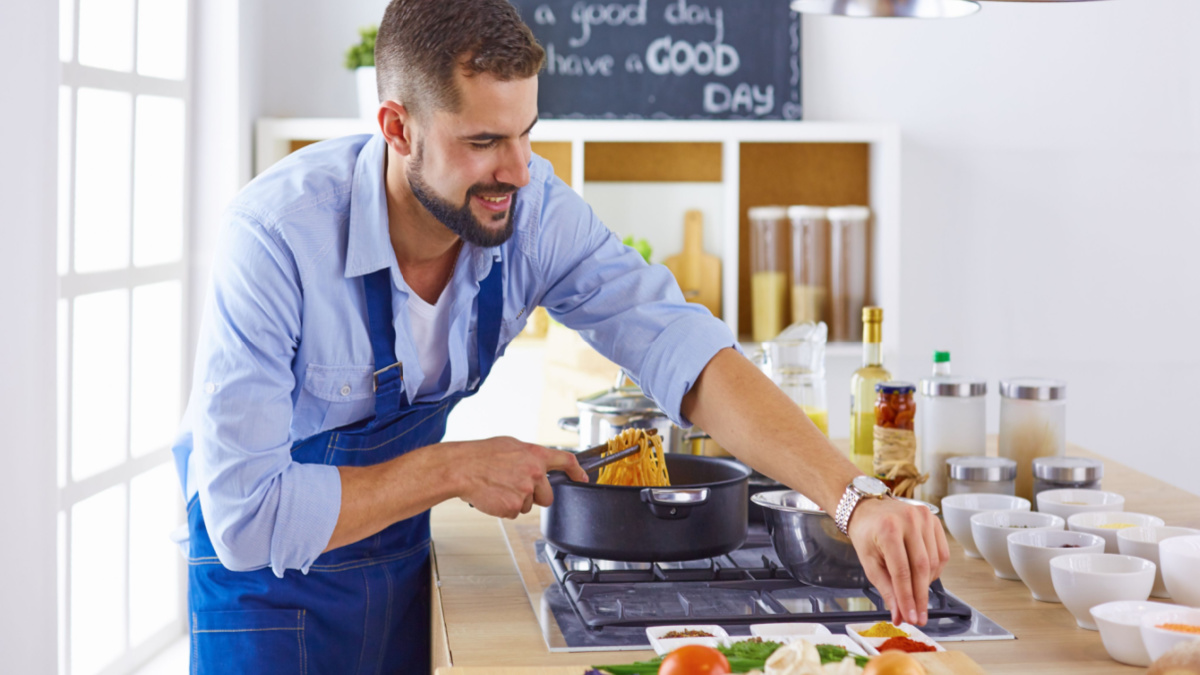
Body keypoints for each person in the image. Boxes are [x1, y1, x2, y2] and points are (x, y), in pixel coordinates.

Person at [171, 0, 949, 672]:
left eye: (527, 132)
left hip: (394, 558)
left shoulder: (532, 208)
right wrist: (453, 467)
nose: (518, 170)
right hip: (266, 589)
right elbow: (244, 514)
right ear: (396, 128)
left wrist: (856, 500)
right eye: (482, 142)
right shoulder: (276, 240)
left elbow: (685, 350)